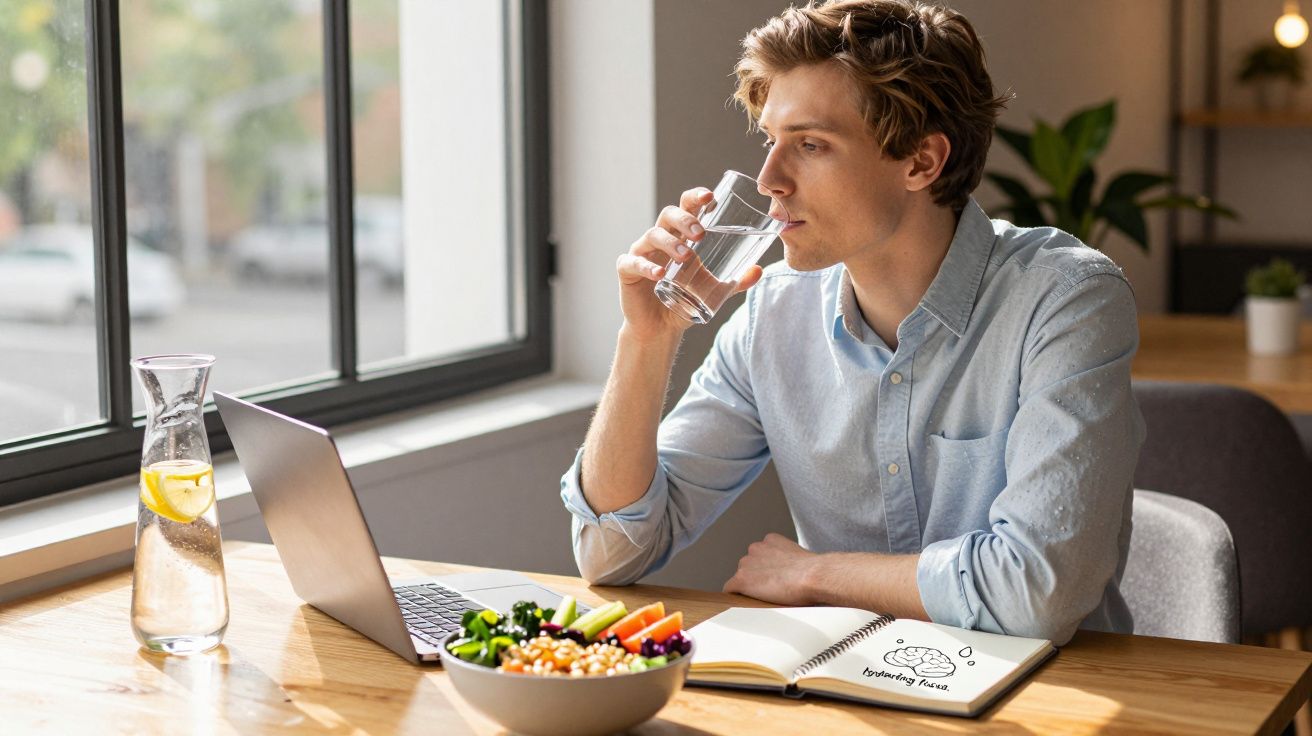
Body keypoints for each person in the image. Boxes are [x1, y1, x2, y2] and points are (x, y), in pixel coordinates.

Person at [559, 0, 1144, 645]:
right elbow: (611, 555)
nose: (769, 180)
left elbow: (1037, 592)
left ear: (922, 162)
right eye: (771, 142)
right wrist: (647, 338)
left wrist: (817, 574)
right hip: (847, 690)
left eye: (810, 145)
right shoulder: (773, 313)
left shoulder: (1063, 298)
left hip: (1053, 697)